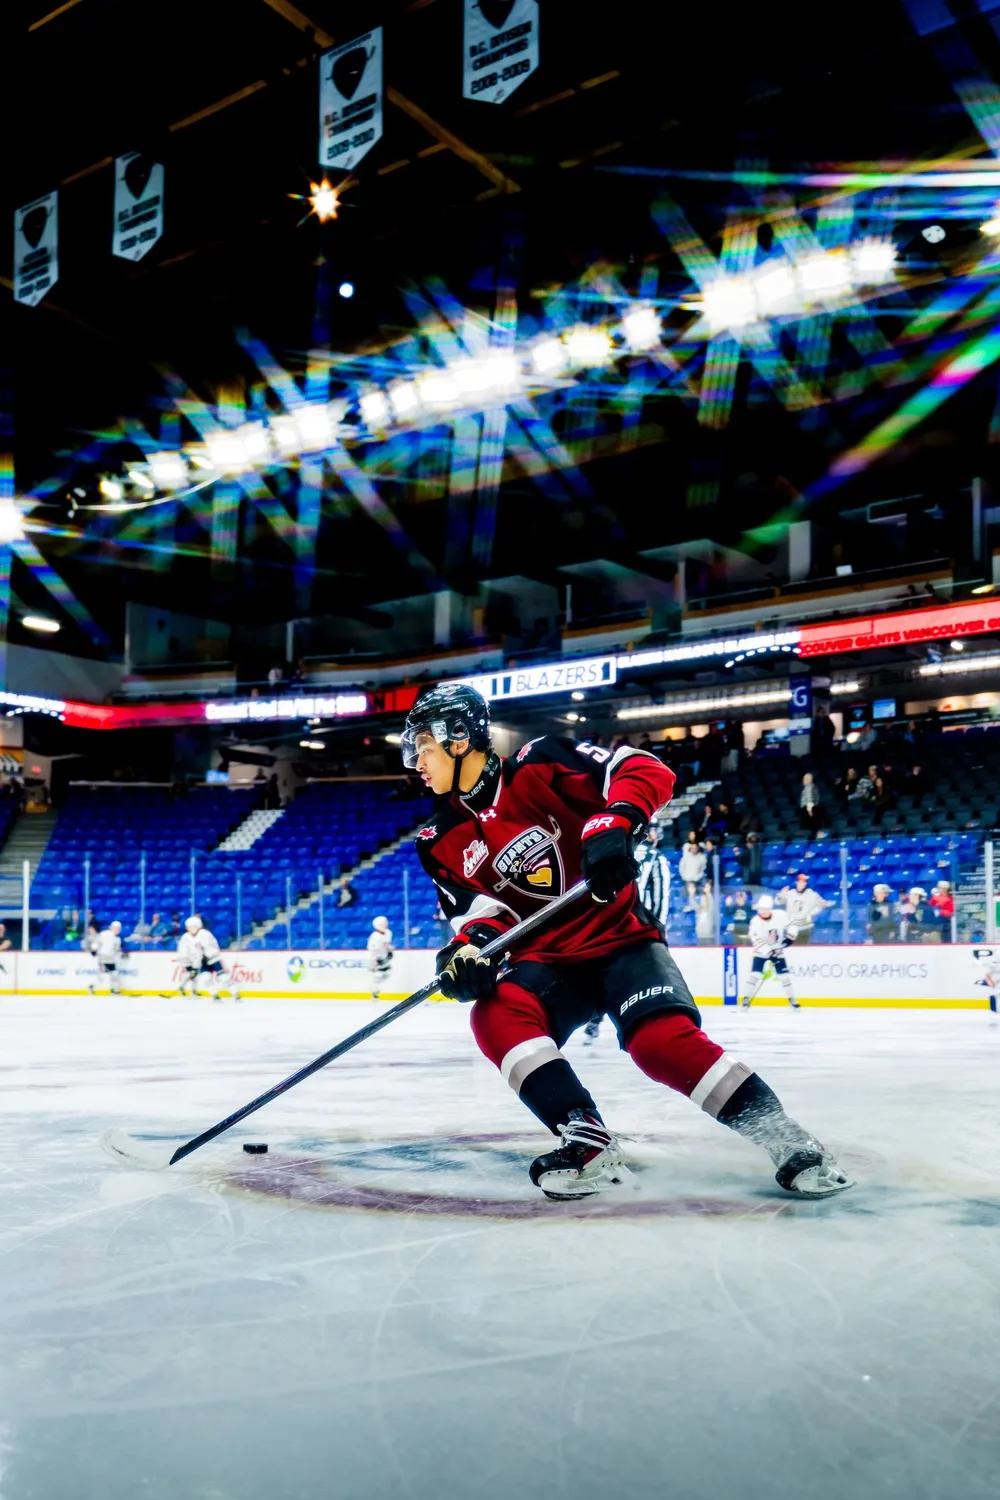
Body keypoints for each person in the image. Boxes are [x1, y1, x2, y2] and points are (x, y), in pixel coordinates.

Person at [403, 682, 851, 1202]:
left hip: (622, 939)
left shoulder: (541, 761)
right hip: (548, 962)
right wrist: (467, 952)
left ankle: (786, 1137)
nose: (417, 763)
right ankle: (587, 1140)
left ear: (459, 739)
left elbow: (644, 768)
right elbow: (481, 914)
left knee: (659, 1044)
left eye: (424, 747)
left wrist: (615, 820)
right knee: (494, 1013)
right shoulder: (438, 839)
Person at [740, 896, 800, 1010]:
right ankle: (746, 999)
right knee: (755, 975)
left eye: (766, 909)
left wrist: (790, 938)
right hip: (761, 952)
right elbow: (756, 940)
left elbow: (793, 924)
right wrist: (769, 952)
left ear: (770, 908)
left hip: (778, 950)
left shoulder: (780, 915)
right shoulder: (755, 922)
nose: (764, 911)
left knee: (784, 977)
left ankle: (792, 999)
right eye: (762, 909)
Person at [177, 915, 240, 1002]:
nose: (189, 929)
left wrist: (200, 959)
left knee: (223, 977)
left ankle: (235, 994)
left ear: (197, 926)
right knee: (205, 978)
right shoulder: (186, 937)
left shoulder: (204, 934)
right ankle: (215, 995)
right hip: (201, 962)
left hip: (213, 959)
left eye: (191, 927)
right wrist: (191, 966)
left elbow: (207, 948)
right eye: (188, 927)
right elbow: (185, 952)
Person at [779, 872, 830, 944]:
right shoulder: (790, 893)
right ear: (796, 883)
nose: (802, 884)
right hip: (791, 928)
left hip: (805, 928)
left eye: (804, 882)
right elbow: (779, 902)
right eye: (800, 882)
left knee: (804, 947)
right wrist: (781, 896)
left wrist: (812, 913)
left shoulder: (812, 894)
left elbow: (824, 904)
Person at [88, 920, 124, 996]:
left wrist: (120, 955)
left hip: (111, 960)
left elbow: (117, 950)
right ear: (111, 927)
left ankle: (114, 990)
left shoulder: (117, 939)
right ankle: (92, 986)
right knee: (103, 977)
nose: (117, 930)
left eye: (118, 928)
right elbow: (97, 942)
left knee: (114, 975)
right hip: (103, 959)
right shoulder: (104, 934)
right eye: (115, 928)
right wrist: (94, 949)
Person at [367, 915, 394, 1001]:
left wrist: (390, 952)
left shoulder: (388, 933)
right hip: (377, 959)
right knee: (377, 976)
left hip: (385, 958)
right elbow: (373, 950)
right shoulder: (375, 936)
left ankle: (374, 987)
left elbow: (387, 944)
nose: (386, 924)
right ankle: (374, 993)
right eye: (383, 923)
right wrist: (375, 962)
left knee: (388, 973)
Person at [678, 832, 706, 910]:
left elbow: (703, 869)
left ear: (697, 848)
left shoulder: (702, 857)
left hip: (697, 881)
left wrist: (697, 877)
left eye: (695, 848)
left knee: (698, 897)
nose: (693, 849)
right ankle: (686, 908)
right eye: (692, 848)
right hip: (686, 880)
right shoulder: (686, 857)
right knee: (685, 896)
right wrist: (684, 876)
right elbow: (681, 867)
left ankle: (698, 908)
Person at [695, 882, 716, 946]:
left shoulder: (710, 910)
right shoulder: (698, 910)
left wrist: (708, 892)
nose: (702, 901)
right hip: (700, 936)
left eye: (704, 900)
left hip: (709, 937)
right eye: (701, 900)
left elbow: (711, 902)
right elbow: (692, 903)